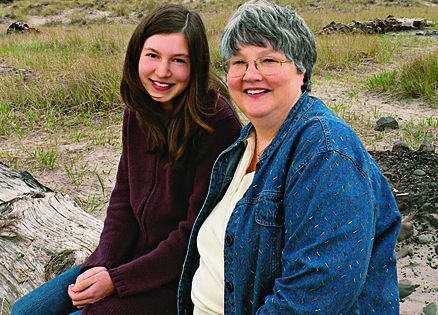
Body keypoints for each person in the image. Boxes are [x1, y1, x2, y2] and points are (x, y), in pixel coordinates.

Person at [11, 4, 241, 315]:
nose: (162, 71)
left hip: (182, 275)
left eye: (178, 60)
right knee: (26, 311)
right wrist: (102, 263)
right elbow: (122, 199)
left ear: (195, 65)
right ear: (137, 55)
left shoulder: (215, 120)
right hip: (130, 258)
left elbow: (195, 233)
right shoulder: (138, 109)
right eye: (153, 55)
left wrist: (116, 281)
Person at [177, 1, 401, 314]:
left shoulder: (325, 151)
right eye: (238, 62)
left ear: (301, 69)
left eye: (268, 60)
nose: (250, 75)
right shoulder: (245, 143)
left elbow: (314, 294)